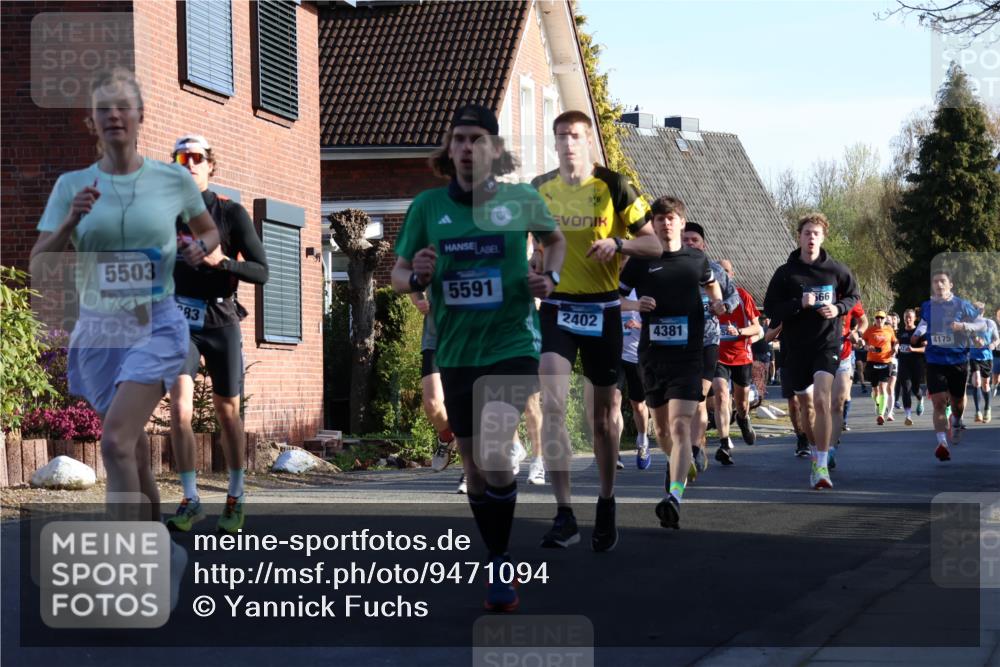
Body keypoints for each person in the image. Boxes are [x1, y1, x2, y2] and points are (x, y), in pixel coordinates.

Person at [30, 68, 220, 606]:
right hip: (99, 329)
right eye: (104, 108)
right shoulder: (72, 185)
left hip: (154, 324)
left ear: (140, 117)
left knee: (113, 442)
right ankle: (162, 552)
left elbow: (206, 230)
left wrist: (198, 248)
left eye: (124, 106)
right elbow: (40, 260)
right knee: (132, 449)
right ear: (91, 121)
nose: (115, 115)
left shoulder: (173, 181)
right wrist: (69, 221)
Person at [391, 103, 565, 611]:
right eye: (459, 139)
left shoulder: (522, 199)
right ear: (450, 149)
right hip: (458, 350)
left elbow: (554, 243)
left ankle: (503, 564)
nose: (466, 148)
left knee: (493, 450)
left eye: (476, 139)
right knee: (473, 467)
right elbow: (400, 274)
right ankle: (498, 556)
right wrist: (418, 274)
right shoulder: (427, 208)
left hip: (512, 344)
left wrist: (548, 277)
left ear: (494, 149)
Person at [531, 110, 659, 552]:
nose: (568, 143)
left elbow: (654, 242)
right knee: (551, 401)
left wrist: (620, 244)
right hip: (558, 306)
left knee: (604, 420)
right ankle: (564, 513)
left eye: (575, 136)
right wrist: (533, 267)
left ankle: (606, 501)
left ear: (589, 142)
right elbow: (529, 246)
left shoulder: (615, 185)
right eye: (561, 136)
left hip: (603, 310)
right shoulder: (540, 189)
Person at [164, 135, 268, 535]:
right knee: (179, 406)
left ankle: (236, 493)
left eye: (197, 158)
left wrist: (223, 261)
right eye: (180, 157)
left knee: (227, 413)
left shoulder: (231, 214)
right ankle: (190, 499)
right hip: (179, 321)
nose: (188, 163)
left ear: (210, 166)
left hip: (221, 319)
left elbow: (262, 271)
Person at [619, 196, 723, 529]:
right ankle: (680, 465)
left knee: (680, 427)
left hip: (688, 355)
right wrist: (635, 306)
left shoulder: (696, 258)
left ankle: (674, 495)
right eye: (660, 218)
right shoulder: (639, 260)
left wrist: (717, 302)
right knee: (661, 429)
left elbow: (711, 284)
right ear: (654, 224)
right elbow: (612, 297)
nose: (666, 223)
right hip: (652, 356)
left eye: (672, 218)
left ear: (681, 222)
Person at [764, 212, 860, 489]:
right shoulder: (786, 273)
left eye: (816, 233)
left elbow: (854, 296)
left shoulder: (836, 270)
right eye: (807, 233)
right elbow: (771, 307)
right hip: (795, 348)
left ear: (823, 237)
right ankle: (815, 447)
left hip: (826, 344)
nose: (811, 238)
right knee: (806, 406)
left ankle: (820, 465)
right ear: (799, 236)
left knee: (822, 400)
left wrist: (839, 308)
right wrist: (799, 304)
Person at [680, 225, 739, 480]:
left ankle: (693, 450)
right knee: (690, 402)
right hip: (679, 342)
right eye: (686, 240)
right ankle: (695, 446)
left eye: (695, 240)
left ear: (703, 245)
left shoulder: (715, 271)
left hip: (708, 341)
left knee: (698, 397)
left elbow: (733, 296)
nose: (691, 243)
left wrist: (723, 305)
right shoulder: (672, 269)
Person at [911, 270, 984, 461]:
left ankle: (957, 419)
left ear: (950, 284)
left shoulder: (962, 305)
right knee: (938, 402)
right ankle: (942, 442)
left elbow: (981, 324)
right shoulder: (927, 305)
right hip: (935, 360)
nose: (939, 285)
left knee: (957, 403)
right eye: (935, 281)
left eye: (943, 281)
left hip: (957, 360)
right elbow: (925, 323)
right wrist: (917, 334)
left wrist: (964, 327)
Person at [713, 259, 762, 465]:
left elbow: (757, 329)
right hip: (716, 355)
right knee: (722, 395)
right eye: (718, 272)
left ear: (731, 276)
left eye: (726, 272)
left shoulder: (742, 296)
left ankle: (743, 418)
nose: (722, 275)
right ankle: (724, 443)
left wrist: (739, 332)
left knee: (741, 403)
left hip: (741, 355)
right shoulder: (707, 298)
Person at [615, 279, 652, 469]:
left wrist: (637, 325)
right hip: (616, 355)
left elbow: (655, 323)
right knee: (613, 403)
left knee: (638, 406)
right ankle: (615, 451)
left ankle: (643, 441)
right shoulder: (613, 288)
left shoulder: (642, 291)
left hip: (636, 356)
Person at [831, 300, 866, 460]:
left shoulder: (850, 297)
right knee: (820, 404)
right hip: (819, 354)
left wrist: (857, 334)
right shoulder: (817, 289)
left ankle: (831, 447)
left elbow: (863, 321)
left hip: (844, 356)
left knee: (839, 402)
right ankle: (820, 442)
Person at [861, 311, 898, 426]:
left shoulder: (889, 329)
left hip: (885, 362)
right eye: (877, 317)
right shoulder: (870, 330)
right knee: (875, 389)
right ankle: (877, 404)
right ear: (875, 319)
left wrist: (895, 347)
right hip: (872, 362)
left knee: (883, 386)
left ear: (884, 319)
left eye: (882, 318)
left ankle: (881, 414)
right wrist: (866, 346)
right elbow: (863, 340)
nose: (879, 320)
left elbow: (895, 341)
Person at [896, 308, 926, 425]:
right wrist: (895, 346)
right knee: (906, 388)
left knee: (915, 388)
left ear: (914, 319)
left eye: (910, 317)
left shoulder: (920, 332)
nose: (908, 319)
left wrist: (913, 349)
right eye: (906, 317)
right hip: (904, 364)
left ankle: (920, 399)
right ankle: (908, 415)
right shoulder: (900, 331)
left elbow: (925, 349)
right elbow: (896, 342)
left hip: (917, 364)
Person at [968, 301, 997, 423]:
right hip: (974, 357)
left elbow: (997, 338)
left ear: (983, 311)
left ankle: (987, 408)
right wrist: (975, 340)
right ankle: (977, 412)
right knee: (977, 381)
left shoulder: (990, 323)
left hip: (987, 357)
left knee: (985, 385)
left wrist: (993, 344)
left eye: (978, 310)